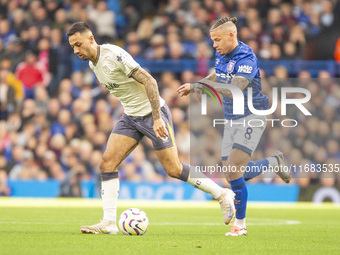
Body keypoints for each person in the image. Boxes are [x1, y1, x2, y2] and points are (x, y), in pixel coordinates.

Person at [66, 22, 236, 235]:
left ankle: (222, 194)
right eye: (73, 47)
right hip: (130, 116)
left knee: (173, 169)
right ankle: (109, 222)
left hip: (152, 114)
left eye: (79, 44)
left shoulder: (114, 55)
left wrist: (157, 119)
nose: (76, 50)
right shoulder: (93, 64)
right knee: (107, 164)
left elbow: (150, 82)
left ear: (91, 39)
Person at [177, 17, 291, 236]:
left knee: (232, 170)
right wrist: (199, 84)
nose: (214, 44)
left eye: (217, 39)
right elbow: (217, 74)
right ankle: (272, 162)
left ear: (232, 36)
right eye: (212, 40)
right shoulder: (221, 55)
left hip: (252, 115)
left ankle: (241, 225)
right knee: (231, 174)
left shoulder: (246, 57)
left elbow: (234, 89)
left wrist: (203, 86)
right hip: (231, 118)